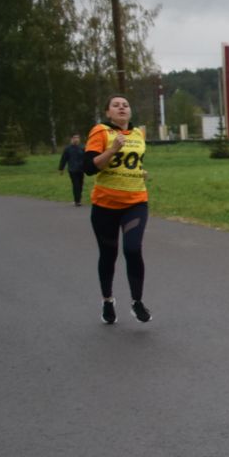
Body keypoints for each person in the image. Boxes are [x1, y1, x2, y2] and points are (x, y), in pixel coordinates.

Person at [86, 95, 152, 324]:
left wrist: (141, 172)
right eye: (116, 105)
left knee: (133, 249)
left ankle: (137, 302)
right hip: (105, 206)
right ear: (108, 112)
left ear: (130, 111)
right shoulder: (100, 132)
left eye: (126, 104)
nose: (122, 107)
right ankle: (107, 300)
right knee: (108, 254)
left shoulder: (138, 134)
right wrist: (112, 149)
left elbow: (134, 162)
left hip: (136, 202)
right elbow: (89, 168)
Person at [58, 133, 88, 205]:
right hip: (72, 169)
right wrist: (61, 169)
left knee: (80, 184)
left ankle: (78, 199)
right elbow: (64, 159)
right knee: (75, 184)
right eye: (74, 138)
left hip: (81, 169)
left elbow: (86, 158)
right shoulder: (68, 149)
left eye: (77, 138)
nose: (76, 139)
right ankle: (77, 201)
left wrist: (87, 167)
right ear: (71, 139)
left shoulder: (83, 148)